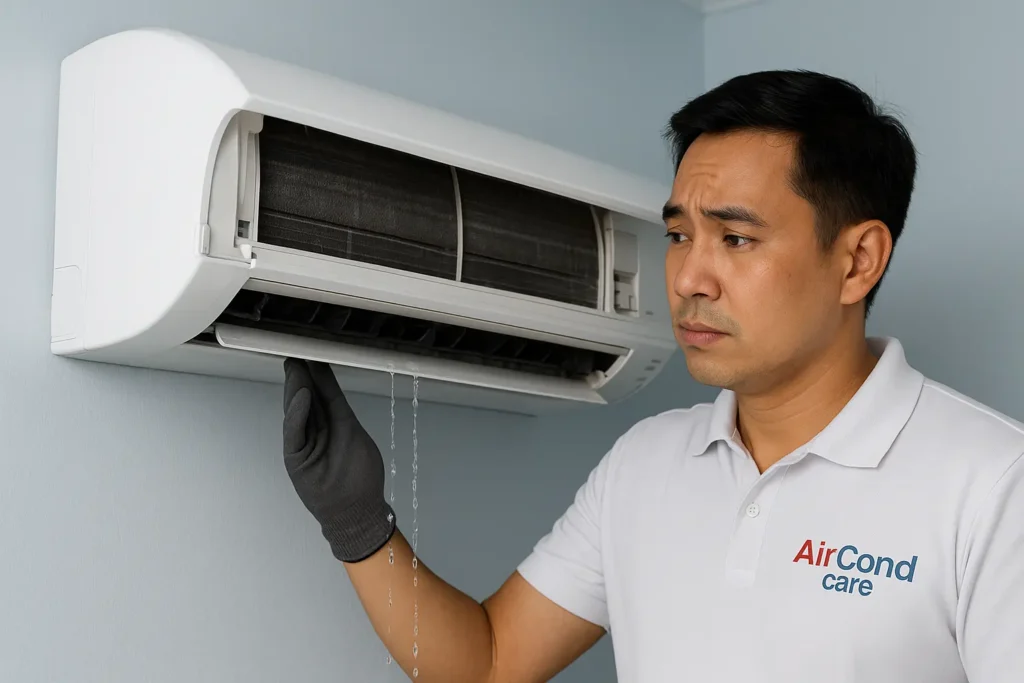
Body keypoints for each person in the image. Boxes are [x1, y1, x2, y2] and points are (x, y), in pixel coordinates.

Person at [279, 70, 1024, 682]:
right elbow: (489, 662)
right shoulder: (645, 463)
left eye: (736, 238)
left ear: (858, 260)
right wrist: (359, 526)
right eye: (678, 235)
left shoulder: (992, 485)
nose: (690, 276)